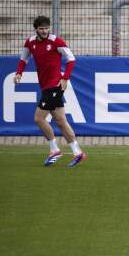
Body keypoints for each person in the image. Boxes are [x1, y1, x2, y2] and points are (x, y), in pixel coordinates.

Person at [14, 15, 85, 167]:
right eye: (41, 28)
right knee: (60, 120)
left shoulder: (56, 41)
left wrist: (65, 78)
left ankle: (54, 149)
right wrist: (19, 73)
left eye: (47, 28)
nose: (45, 31)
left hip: (55, 85)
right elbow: (23, 59)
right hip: (46, 86)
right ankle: (77, 152)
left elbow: (71, 59)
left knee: (38, 118)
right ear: (36, 29)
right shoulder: (30, 42)